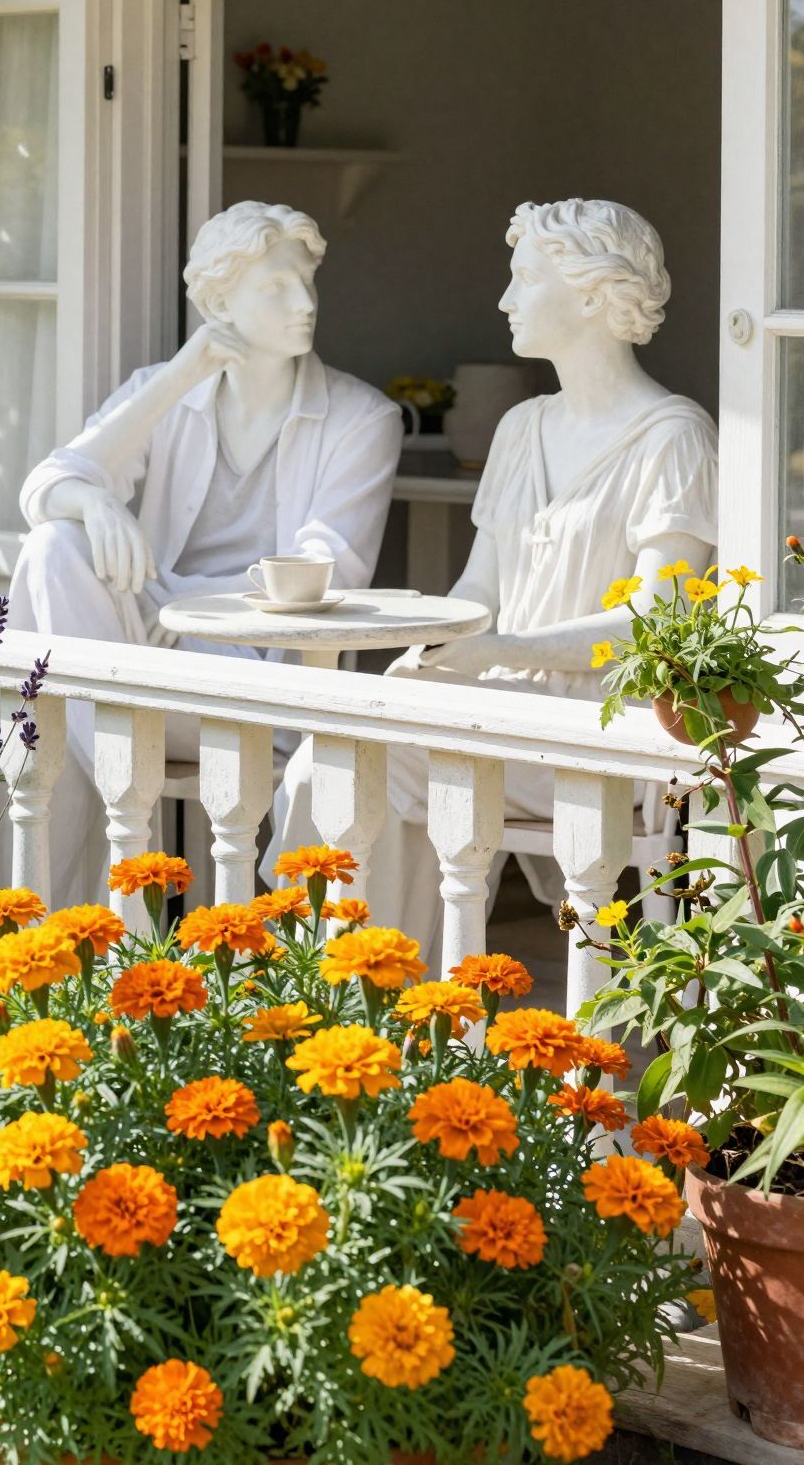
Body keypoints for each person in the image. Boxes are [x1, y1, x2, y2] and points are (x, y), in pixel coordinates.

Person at [279, 198, 717, 953]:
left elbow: (654, 625)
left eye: (526, 278)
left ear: (593, 293)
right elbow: (478, 592)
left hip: (597, 728)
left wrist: (500, 652)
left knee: (345, 767)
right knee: (329, 760)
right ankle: (358, 982)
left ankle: (366, 978)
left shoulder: (674, 438)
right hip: (502, 704)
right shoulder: (520, 428)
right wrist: (434, 647)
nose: (507, 300)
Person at [11, 200, 402, 906]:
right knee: (54, 543)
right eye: (276, 287)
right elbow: (46, 487)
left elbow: (328, 570)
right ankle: (128, 814)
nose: (305, 303)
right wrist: (103, 493)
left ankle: (125, 847)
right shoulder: (165, 394)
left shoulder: (361, 418)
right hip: (143, 664)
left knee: (62, 713)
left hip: (260, 681)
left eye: (308, 282)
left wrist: (186, 606)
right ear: (219, 303)